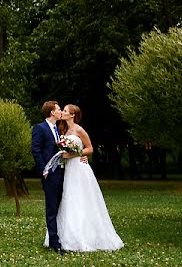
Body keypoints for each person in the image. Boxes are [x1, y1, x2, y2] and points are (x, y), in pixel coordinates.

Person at [48, 104, 124, 252]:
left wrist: (75, 154)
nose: (62, 113)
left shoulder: (79, 129)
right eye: (62, 110)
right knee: (69, 198)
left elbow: (90, 148)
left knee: (81, 198)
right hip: (68, 169)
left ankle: (87, 236)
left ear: (72, 115)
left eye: (64, 111)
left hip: (79, 168)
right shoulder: (63, 129)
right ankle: (67, 236)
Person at [31, 101, 66, 255]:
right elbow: (36, 150)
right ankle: (54, 243)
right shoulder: (40, 128)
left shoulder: (58, 129)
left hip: (63, 172)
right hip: (50, 174)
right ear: (52, 112)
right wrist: (44, 169)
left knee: (61, 206)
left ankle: (63, 237)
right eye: (59, 109)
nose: (61, 112)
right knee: (51, 209)